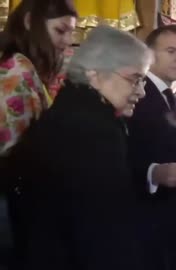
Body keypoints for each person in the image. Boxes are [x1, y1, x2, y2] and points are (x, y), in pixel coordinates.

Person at [5, 25, 153, 270]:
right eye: (134, 79)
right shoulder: (94, 131)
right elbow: (103, 233)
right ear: (94, 74)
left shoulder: (67, 112)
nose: (142, 91)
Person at [0, 0, 77, 267]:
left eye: (71, 33)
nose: (67, 41)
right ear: (30, 22)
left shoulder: (24, 67)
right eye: (60, 31)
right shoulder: (18, 69)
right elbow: (16, 148)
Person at [127, 24, 176, 270]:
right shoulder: (133, 94)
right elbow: (118, 155)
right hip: (143, 221)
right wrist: (153, 172)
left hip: (175, 220)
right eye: (171, 51)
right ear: (149, 54)